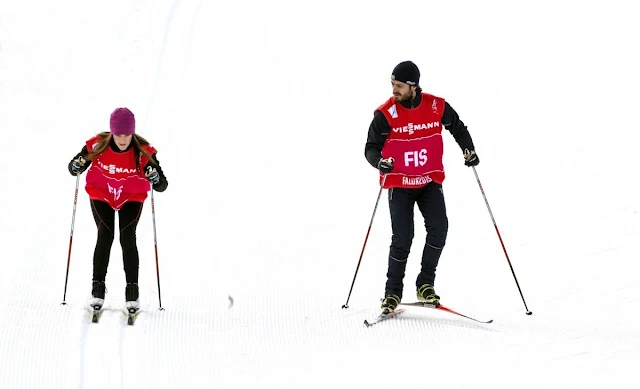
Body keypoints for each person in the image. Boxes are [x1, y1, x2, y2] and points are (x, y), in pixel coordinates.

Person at [364, 61, 479, 314]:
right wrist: (379, 163)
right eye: (392, 85)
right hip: (400, 183)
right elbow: (370, 148)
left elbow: (457, 127)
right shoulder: (385, 114)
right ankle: (392, 293)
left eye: (399, 86)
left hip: (429, 181)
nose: (394, 90)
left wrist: (468, 149)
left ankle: (425, 284)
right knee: (403, 238)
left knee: (439, 230)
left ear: (413, 87)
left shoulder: (436, 106)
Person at [67, 107, 168, 311]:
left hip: (131, 195)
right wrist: (76, 166)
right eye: (118, 134)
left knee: (127, 236)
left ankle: (132, 290)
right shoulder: (98, 145)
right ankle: (97, 288)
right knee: (105, 234)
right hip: (101, 193)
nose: (122, 139)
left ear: (133, 132)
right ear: (112, 132)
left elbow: (162, 185)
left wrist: (154, 177)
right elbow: (73, 167)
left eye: (127, 134)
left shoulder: (143, 151)